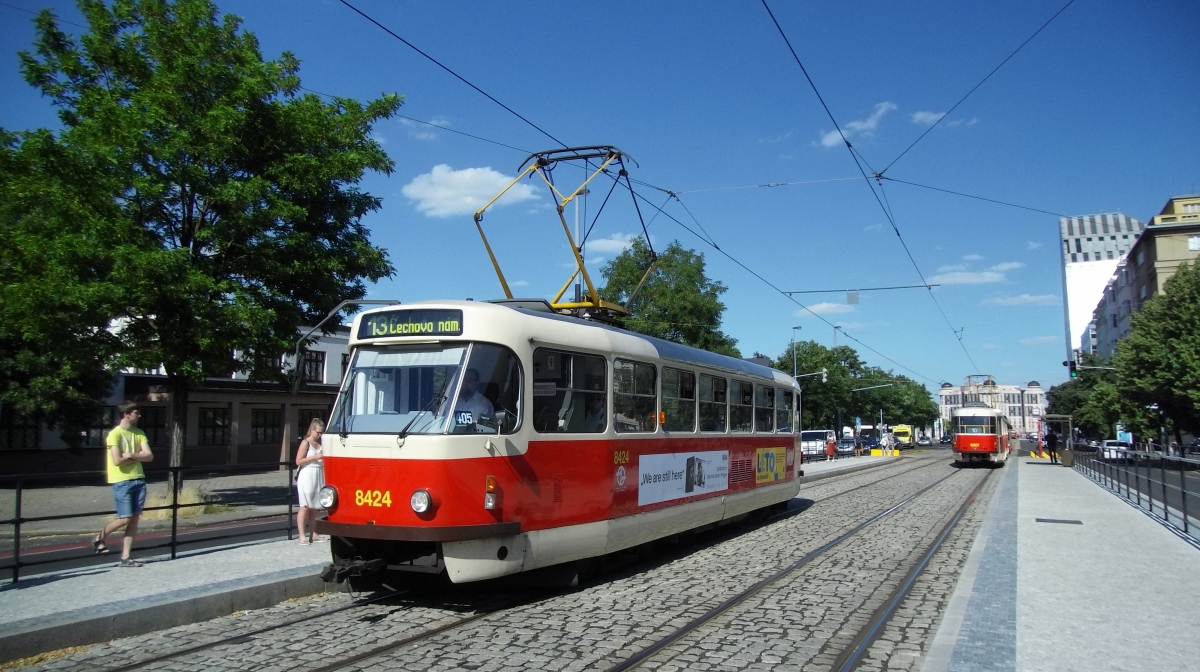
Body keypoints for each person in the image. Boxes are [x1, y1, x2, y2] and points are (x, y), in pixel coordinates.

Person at [95, 401, 155, 567]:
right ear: (126, 414)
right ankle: (99, 537)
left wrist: (129, 454)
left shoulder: (139, 432)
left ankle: (125, 557)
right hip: (121, 481)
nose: (139, 415)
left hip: (139, 479)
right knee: (125, 519)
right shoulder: (114, 434)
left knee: (134, 520)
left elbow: (149, 456)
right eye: (136, 412)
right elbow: (117, 461)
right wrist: (136, 456)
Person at [295, 418, 326, 545]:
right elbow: (298, 461)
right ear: (312, 430)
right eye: (318, 432)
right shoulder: (305, 443)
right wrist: (314, 457)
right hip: (307, 474)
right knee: (305, 506)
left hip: (318, 473)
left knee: (314, 507)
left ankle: (314, 534)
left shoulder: (321, 444)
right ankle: (302, 536)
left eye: (321, 433)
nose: (320, 435)